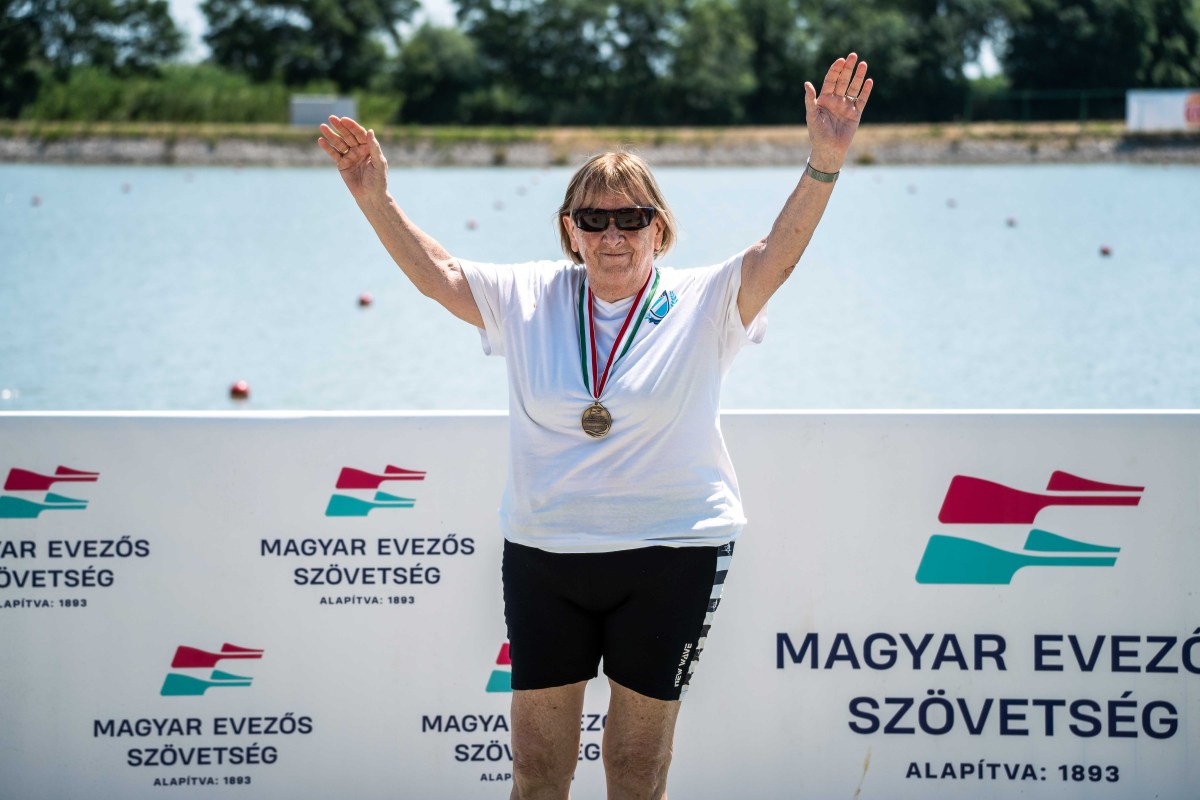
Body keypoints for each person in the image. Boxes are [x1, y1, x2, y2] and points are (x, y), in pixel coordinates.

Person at [319, 52, 872, 800]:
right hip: (546, 554)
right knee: (537, 771)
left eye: (632, 218)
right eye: (594, 219)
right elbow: (440, 275)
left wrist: (825, 161)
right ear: (570, 231)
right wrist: (374, 196)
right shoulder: (529, 294)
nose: (614, 235)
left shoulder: (705, 300)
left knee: (637, 771)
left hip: (671, 552)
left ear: (659, 230)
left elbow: (778, 255)